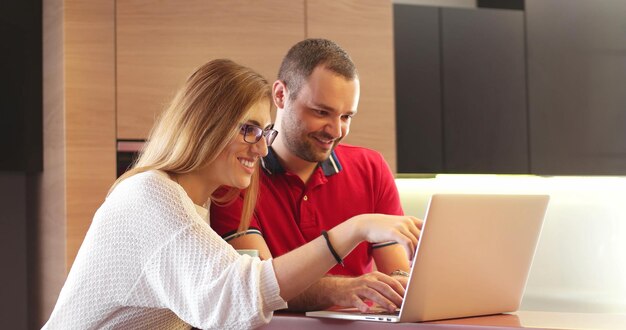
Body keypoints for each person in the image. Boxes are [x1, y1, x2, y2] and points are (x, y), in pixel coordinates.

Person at [42, 59, 421, 329]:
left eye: (265, 132)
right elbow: (235, 297)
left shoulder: (197, 205)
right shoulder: (151, 195)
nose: (260, 147)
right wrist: (352, 229)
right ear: (205, 126)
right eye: (249, 130)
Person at [210, 39, 422, 312]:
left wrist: (399, 284)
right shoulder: (236, 178)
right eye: (322, 112)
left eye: (346, 117)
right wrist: (342, 290)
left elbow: (396, 271)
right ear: (281, 95)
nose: (335, 130)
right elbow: (257, 287)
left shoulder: (372, 167)